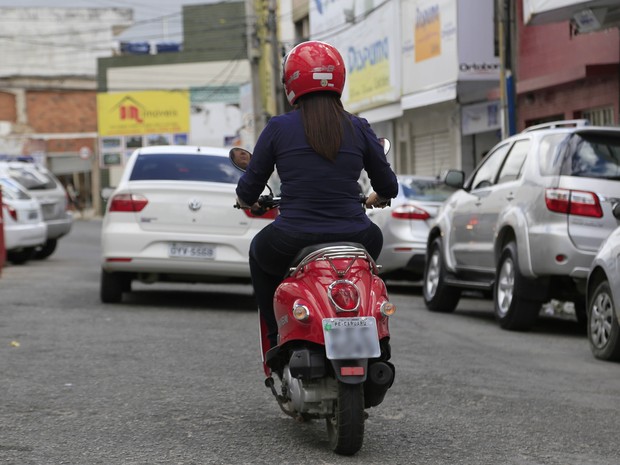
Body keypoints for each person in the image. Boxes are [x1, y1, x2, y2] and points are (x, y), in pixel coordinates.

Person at [235, 40, 399, 350]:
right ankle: (375, 328)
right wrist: (377, 197)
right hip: (357, 234)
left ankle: (275, 339)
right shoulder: (359, 127)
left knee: (259, 251)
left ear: (292, 83)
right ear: (339, 78)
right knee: (368, 263)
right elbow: (388, 187)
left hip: (293, 236)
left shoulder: (278, 128)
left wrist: (249, 201)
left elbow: (249, 188)